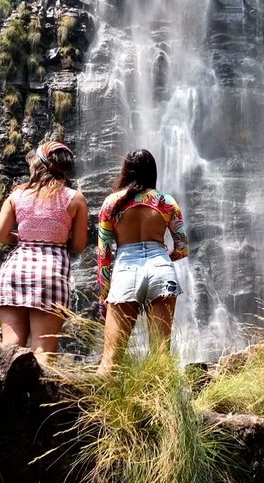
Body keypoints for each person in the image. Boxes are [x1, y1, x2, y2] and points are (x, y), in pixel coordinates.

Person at [0, 141, 88, 364]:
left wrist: (21, 238)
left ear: (37, 165)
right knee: (43, 352)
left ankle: (5, 387)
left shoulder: (17, 195)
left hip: (15, 271)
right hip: (50, 274)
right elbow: (79, 245)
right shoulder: (74, 198)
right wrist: (56, 238)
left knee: (10, 348)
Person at [96, 149, 188, 377]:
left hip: (126, 271)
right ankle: (165, 400)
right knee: (161, 355)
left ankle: (100, 400)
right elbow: (182, 247)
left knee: (110, 359)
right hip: (161, 270)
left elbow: (104, 254)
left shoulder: (112, 203)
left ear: (126, 171)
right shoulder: (166, 202)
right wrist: (162, 257)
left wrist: (104, 292)